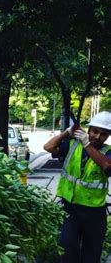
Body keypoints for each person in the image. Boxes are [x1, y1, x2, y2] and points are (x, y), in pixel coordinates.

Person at [43, 111, 111, 263]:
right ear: (89, 129)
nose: (98, 137)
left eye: (103, 134)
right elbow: (48, 147)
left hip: (94, 214)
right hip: (70, 209)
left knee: (91, 256)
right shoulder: (73, 145)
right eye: (95, 131)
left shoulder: (108, 153)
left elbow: (107, 165)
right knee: (67, 249)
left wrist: (87, 144)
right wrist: (67, 132)